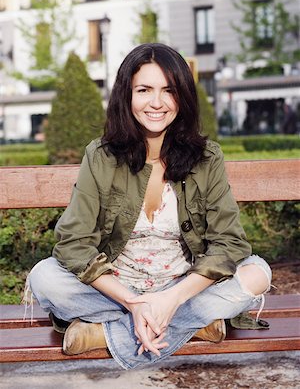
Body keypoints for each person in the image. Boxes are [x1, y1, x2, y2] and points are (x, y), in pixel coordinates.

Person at [26, 43, 271, 370]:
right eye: (144, 90)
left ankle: (104, 334)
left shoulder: (206, 157)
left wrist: (172, 299)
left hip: (184, 285)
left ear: (182, 98)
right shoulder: (100, 156)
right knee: (45, 277)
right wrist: (133, 301)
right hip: (115, 288)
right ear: (126, 96)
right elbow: (73, 243)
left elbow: (230, 243)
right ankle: (196, 324)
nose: (157, 102)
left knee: (258, 273)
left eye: (168, 91)